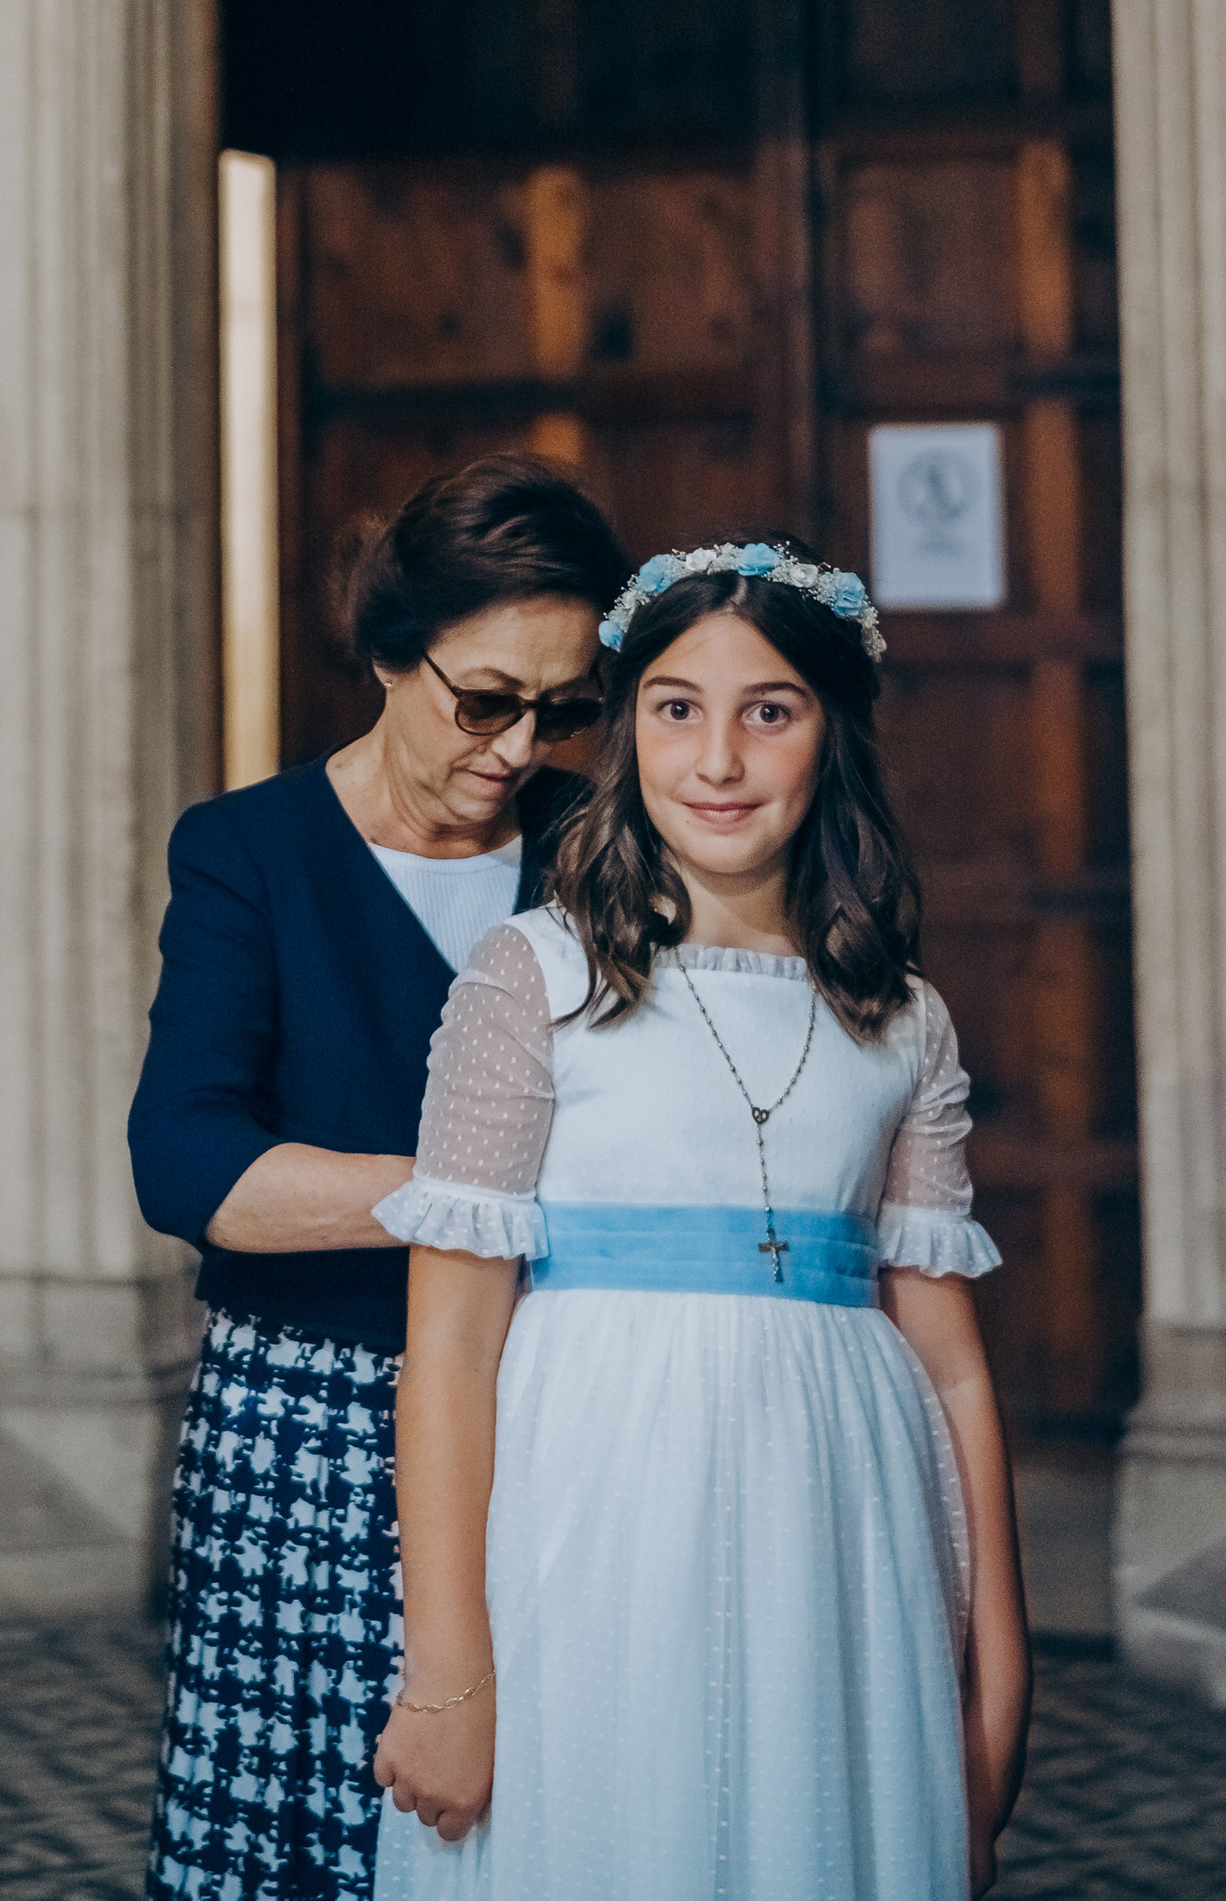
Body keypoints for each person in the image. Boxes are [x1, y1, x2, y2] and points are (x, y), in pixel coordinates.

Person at [372, 534, 1031, 1900]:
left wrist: (996, 1678)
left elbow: (953, 1367)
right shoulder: (534, 979)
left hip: (839, 1535)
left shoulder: (903, 1021)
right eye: (677, 709)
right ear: (628, 734)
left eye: (767, 712)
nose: (718, 760)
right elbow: (444, 1349)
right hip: (594, 1516)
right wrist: (445, 1675)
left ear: (830, 735)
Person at [130, 453, 629, 1901]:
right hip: (309, 1417)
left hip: (544, 1400)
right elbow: (190, 1162)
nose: (519, 746)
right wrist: (468, 1192)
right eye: (485, 700)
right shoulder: (251, 854)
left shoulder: (595, 853)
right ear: (387, 656)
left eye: (563, 709)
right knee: (313, 1831)